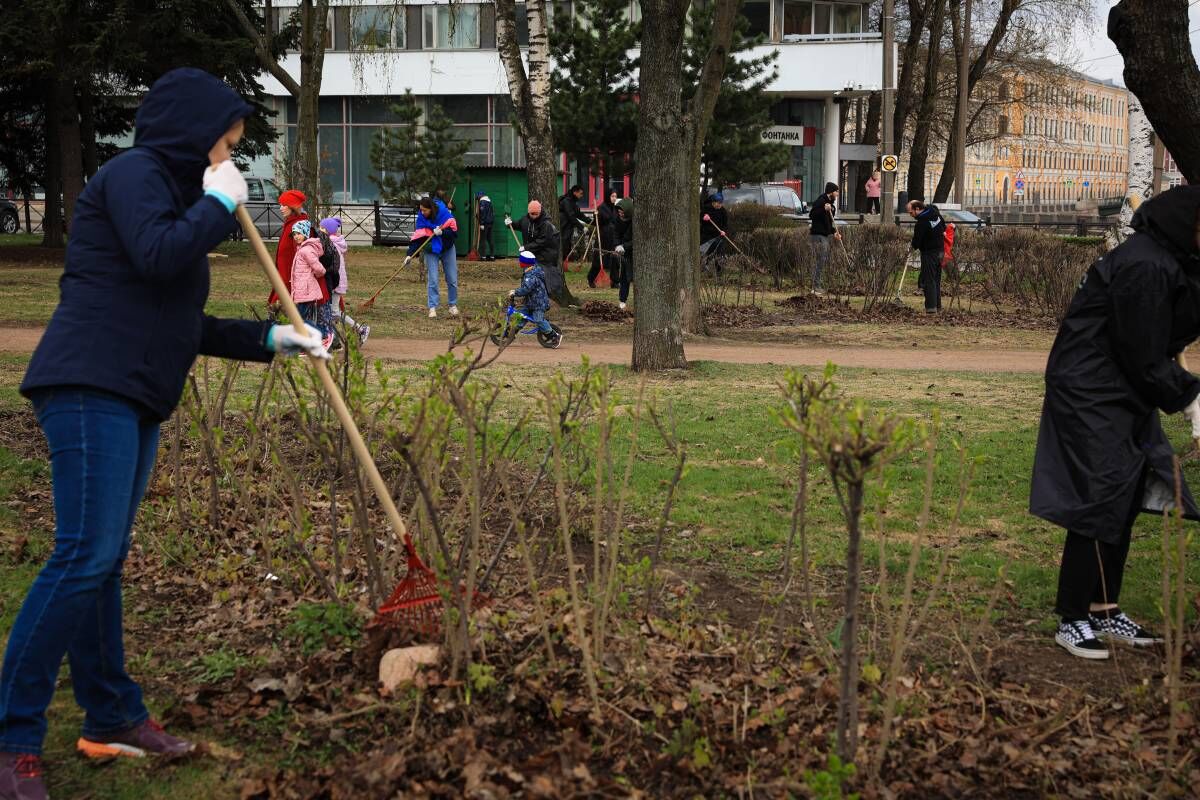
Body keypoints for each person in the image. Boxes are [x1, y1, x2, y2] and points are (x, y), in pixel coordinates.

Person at [0, 67, 328, 800]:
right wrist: (216, 206)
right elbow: (155, 252)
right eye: (226, 144)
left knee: (103, 562)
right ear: (191, 132)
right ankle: (13, 734)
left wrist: (273, 338)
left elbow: (182, 320)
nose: (231, 160)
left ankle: (110, 716)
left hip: (135, 394)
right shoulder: (133, 176)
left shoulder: (178, 199)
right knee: (83, 556)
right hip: (90, 384)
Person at [1031, 185, 1200, 660]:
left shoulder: (1166, 259)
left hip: (1118, 388)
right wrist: (1189, 395)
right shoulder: (1145, 264)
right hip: (1091, 391)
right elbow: (1142, 350)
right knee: (1098, 495)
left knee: (1122, 495)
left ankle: (1104, 609)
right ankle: (1072, 618)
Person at [320, 218, 369, 345]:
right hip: (337, 281)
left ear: (327, 230)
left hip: (335, 282)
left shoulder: (331, 245)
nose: (319, 230)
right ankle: (334, 338)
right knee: (332, 311)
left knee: (334, 311)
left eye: (321, 228)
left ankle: (360, 329)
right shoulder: (336, 243)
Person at [408, 196, 459, 319]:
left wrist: (442, 232)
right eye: (421, 209)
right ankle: (432, 307)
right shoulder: (421, 218)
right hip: (431, 250)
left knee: (452, 278)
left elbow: (454, 233)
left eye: (424, 210)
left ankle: (452, 305)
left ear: (431, 209)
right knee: (433, 279)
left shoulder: (443, 213)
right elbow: (418, 238)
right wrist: (409, 254)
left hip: (447, 248)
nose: (422, 212)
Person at [510, 250, 562, 345]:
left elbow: (526, 289)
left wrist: (515, 292)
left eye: (520, 261)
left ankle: (554, 336)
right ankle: (512, 333)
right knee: (521, 315)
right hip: (530, 302)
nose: (519, 262)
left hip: (538, 303)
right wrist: (523, 251)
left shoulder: (531, 276)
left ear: (524, 263)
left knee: (538, 320)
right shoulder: (532, 269)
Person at [267, 188, 307, 306]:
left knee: (281, 305)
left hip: (291, 275)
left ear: (293, 207)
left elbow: (302, 252)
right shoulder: (291, 222)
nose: (280, 208)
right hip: (284, 272)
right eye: (280, 205)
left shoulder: (299, 226)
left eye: (284, 205)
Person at [290, 220, 329, 337]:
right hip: (302, 290)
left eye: (299, 233)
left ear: (306, 234)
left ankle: (322, 333)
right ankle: (311, 336)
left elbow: (319, 269)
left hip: (305, 290)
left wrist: (315, 275)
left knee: (300, 319)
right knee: (301, 318)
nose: (296, 236)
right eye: (294, 234)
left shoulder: (306, 250)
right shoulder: (301, 249)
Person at [907, 199, 945, 313]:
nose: (911, 215)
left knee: (929, 280)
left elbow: (917, 241)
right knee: (936, 280)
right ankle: (937, 306)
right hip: (940, 251)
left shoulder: (922, 222)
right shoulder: (935, 214)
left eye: (911, 212)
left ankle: (931, 308)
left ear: (917, 209)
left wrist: (910, 248)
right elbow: (943, 226)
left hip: (929, 253)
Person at [506, 200, 560, 271]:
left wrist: (526, 247)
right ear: (528, 212)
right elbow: (517, 225)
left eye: (536, 214)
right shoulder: (525, 220)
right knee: (528, 275)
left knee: (538, 277)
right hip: (530, 255)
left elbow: (542, 241)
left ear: (540, 212)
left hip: (544, 258)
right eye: (532, 213)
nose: (534, 216)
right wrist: (510, 223)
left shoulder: (546, 224)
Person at [808, 182, 841, 295]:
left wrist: (834, 232)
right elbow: (812, 215)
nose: (837, 194)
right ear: (831, 192)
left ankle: (816, 285)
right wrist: (823, 208)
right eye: (836, 191)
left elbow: (827, 223)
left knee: (822, 261)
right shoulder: (821, 201)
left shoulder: (831, 205)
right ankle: (815, 287)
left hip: (825, 235)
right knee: (820, 261)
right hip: (818, 236)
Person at [588, 190, 618, 289]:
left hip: (612, 237)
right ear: (607, 196)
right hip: (603, 237)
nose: (614, 198)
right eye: (612, 196)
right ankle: (591, 278)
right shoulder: (601, 208)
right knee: (598, 259)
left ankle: (614, 281)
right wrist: (595, 214)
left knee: (614, 258)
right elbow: (595, 223)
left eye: (615, 196)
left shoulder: (615, 208)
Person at [613, 198, 634, 310]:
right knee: (624, 277)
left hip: (634, 252)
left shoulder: (635, 221)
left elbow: (637, 239)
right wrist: (617, 245)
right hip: (624, 253)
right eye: (619, 211)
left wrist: (625, 246)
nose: (620, 214)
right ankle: (622, 300)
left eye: (622, 212)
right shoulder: (617, 219)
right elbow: (615, 233)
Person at [558, 184, 589, 262]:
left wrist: (591, 221)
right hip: (563, 226)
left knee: (567, 244)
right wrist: (582, 227)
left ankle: (564, 262)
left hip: (568, 226)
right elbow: (571, 216)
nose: (581, 196)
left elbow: (579, 214)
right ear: (575, 192)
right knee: (564, 244)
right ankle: (561, 262)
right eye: (580, 193)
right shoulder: (566, 201)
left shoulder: (573, 202)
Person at [700, 192, 730, 269]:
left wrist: (724, 231)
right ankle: (705, 266)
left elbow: (725, 224)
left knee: (719, 251)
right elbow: (699, 219)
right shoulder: (706, 208)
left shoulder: (723, 211)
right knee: (707, 252)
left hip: (718, 235)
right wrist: (703, 218)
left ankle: (718, 268)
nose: (719, 205)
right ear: (713, 202)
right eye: (717, 203)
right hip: (706, 236)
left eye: (720, 203)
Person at [476, 192, 495, 262]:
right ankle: (492, 256)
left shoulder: (482, 202)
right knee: (490, 239)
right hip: (490, 223)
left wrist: (481, 223)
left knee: (483, 240)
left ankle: (483, 257)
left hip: (485, 224)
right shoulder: (489, 201)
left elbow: (483, 213)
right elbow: (492, 213)